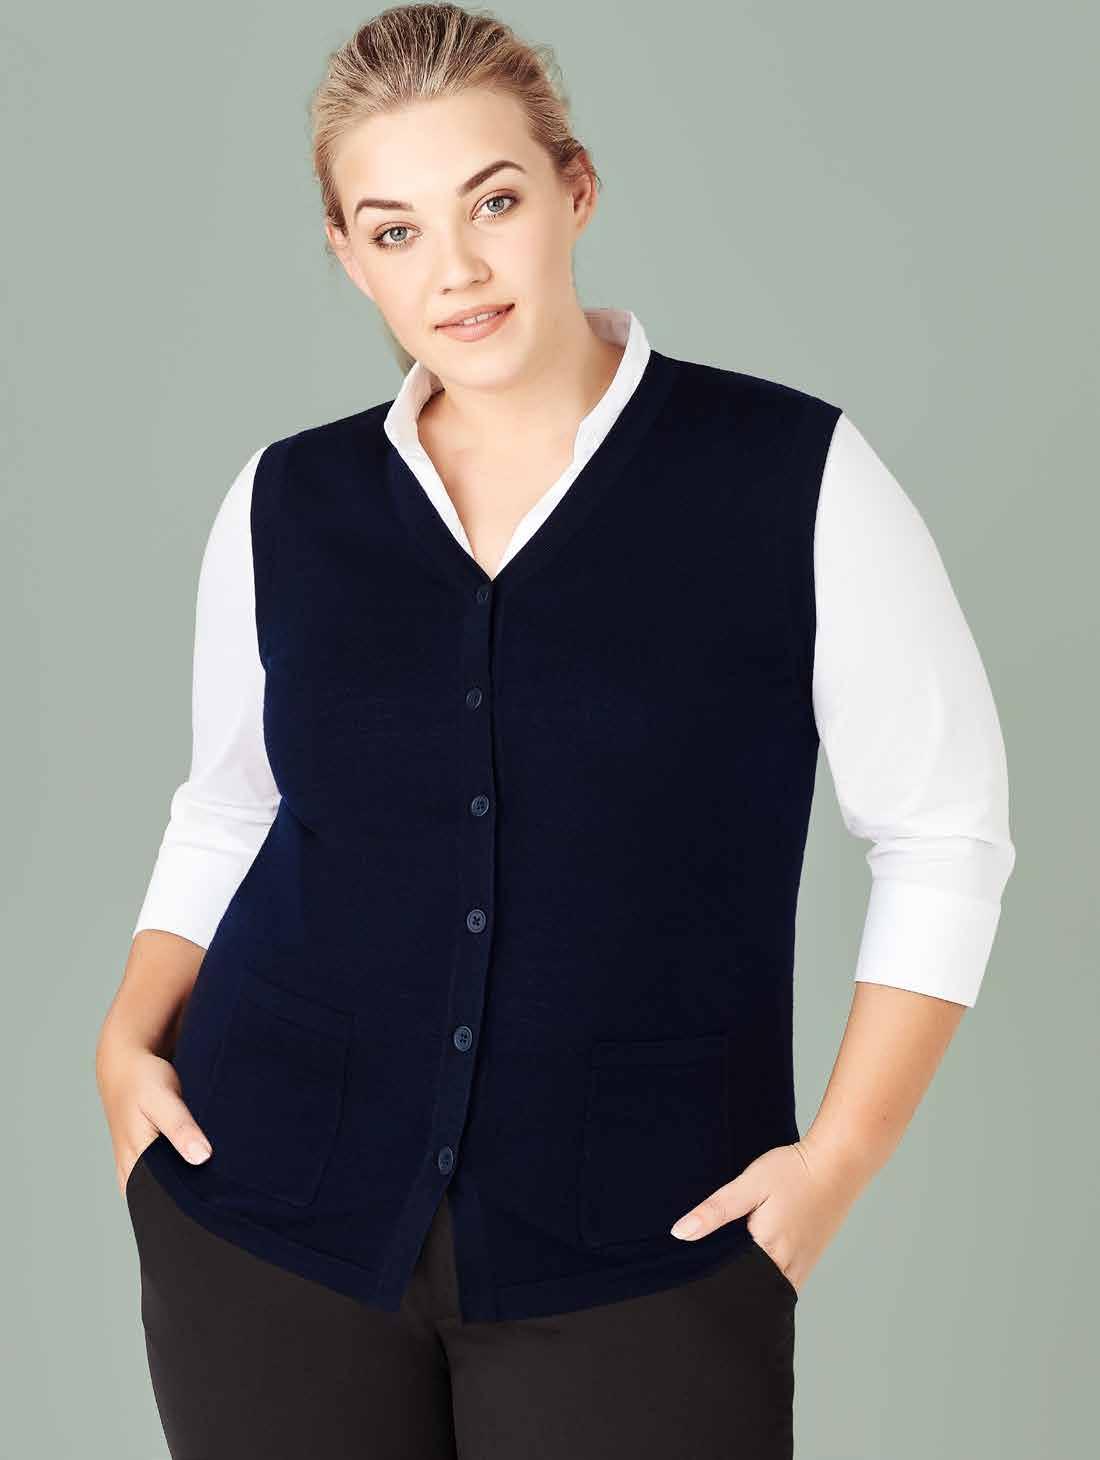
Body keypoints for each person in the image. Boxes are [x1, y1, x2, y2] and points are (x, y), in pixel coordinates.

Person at [95, 5, 1016, 1457]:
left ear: (575, 190)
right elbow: (229, 804)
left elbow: (945, 835)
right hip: (267, 1225)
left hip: (646, 1247)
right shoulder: (286, 501)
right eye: (395, 231)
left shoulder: (791, 475)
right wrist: (127, 1039)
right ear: (348, 254)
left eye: (494, 203)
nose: (455, 271)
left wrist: (836, 1163)